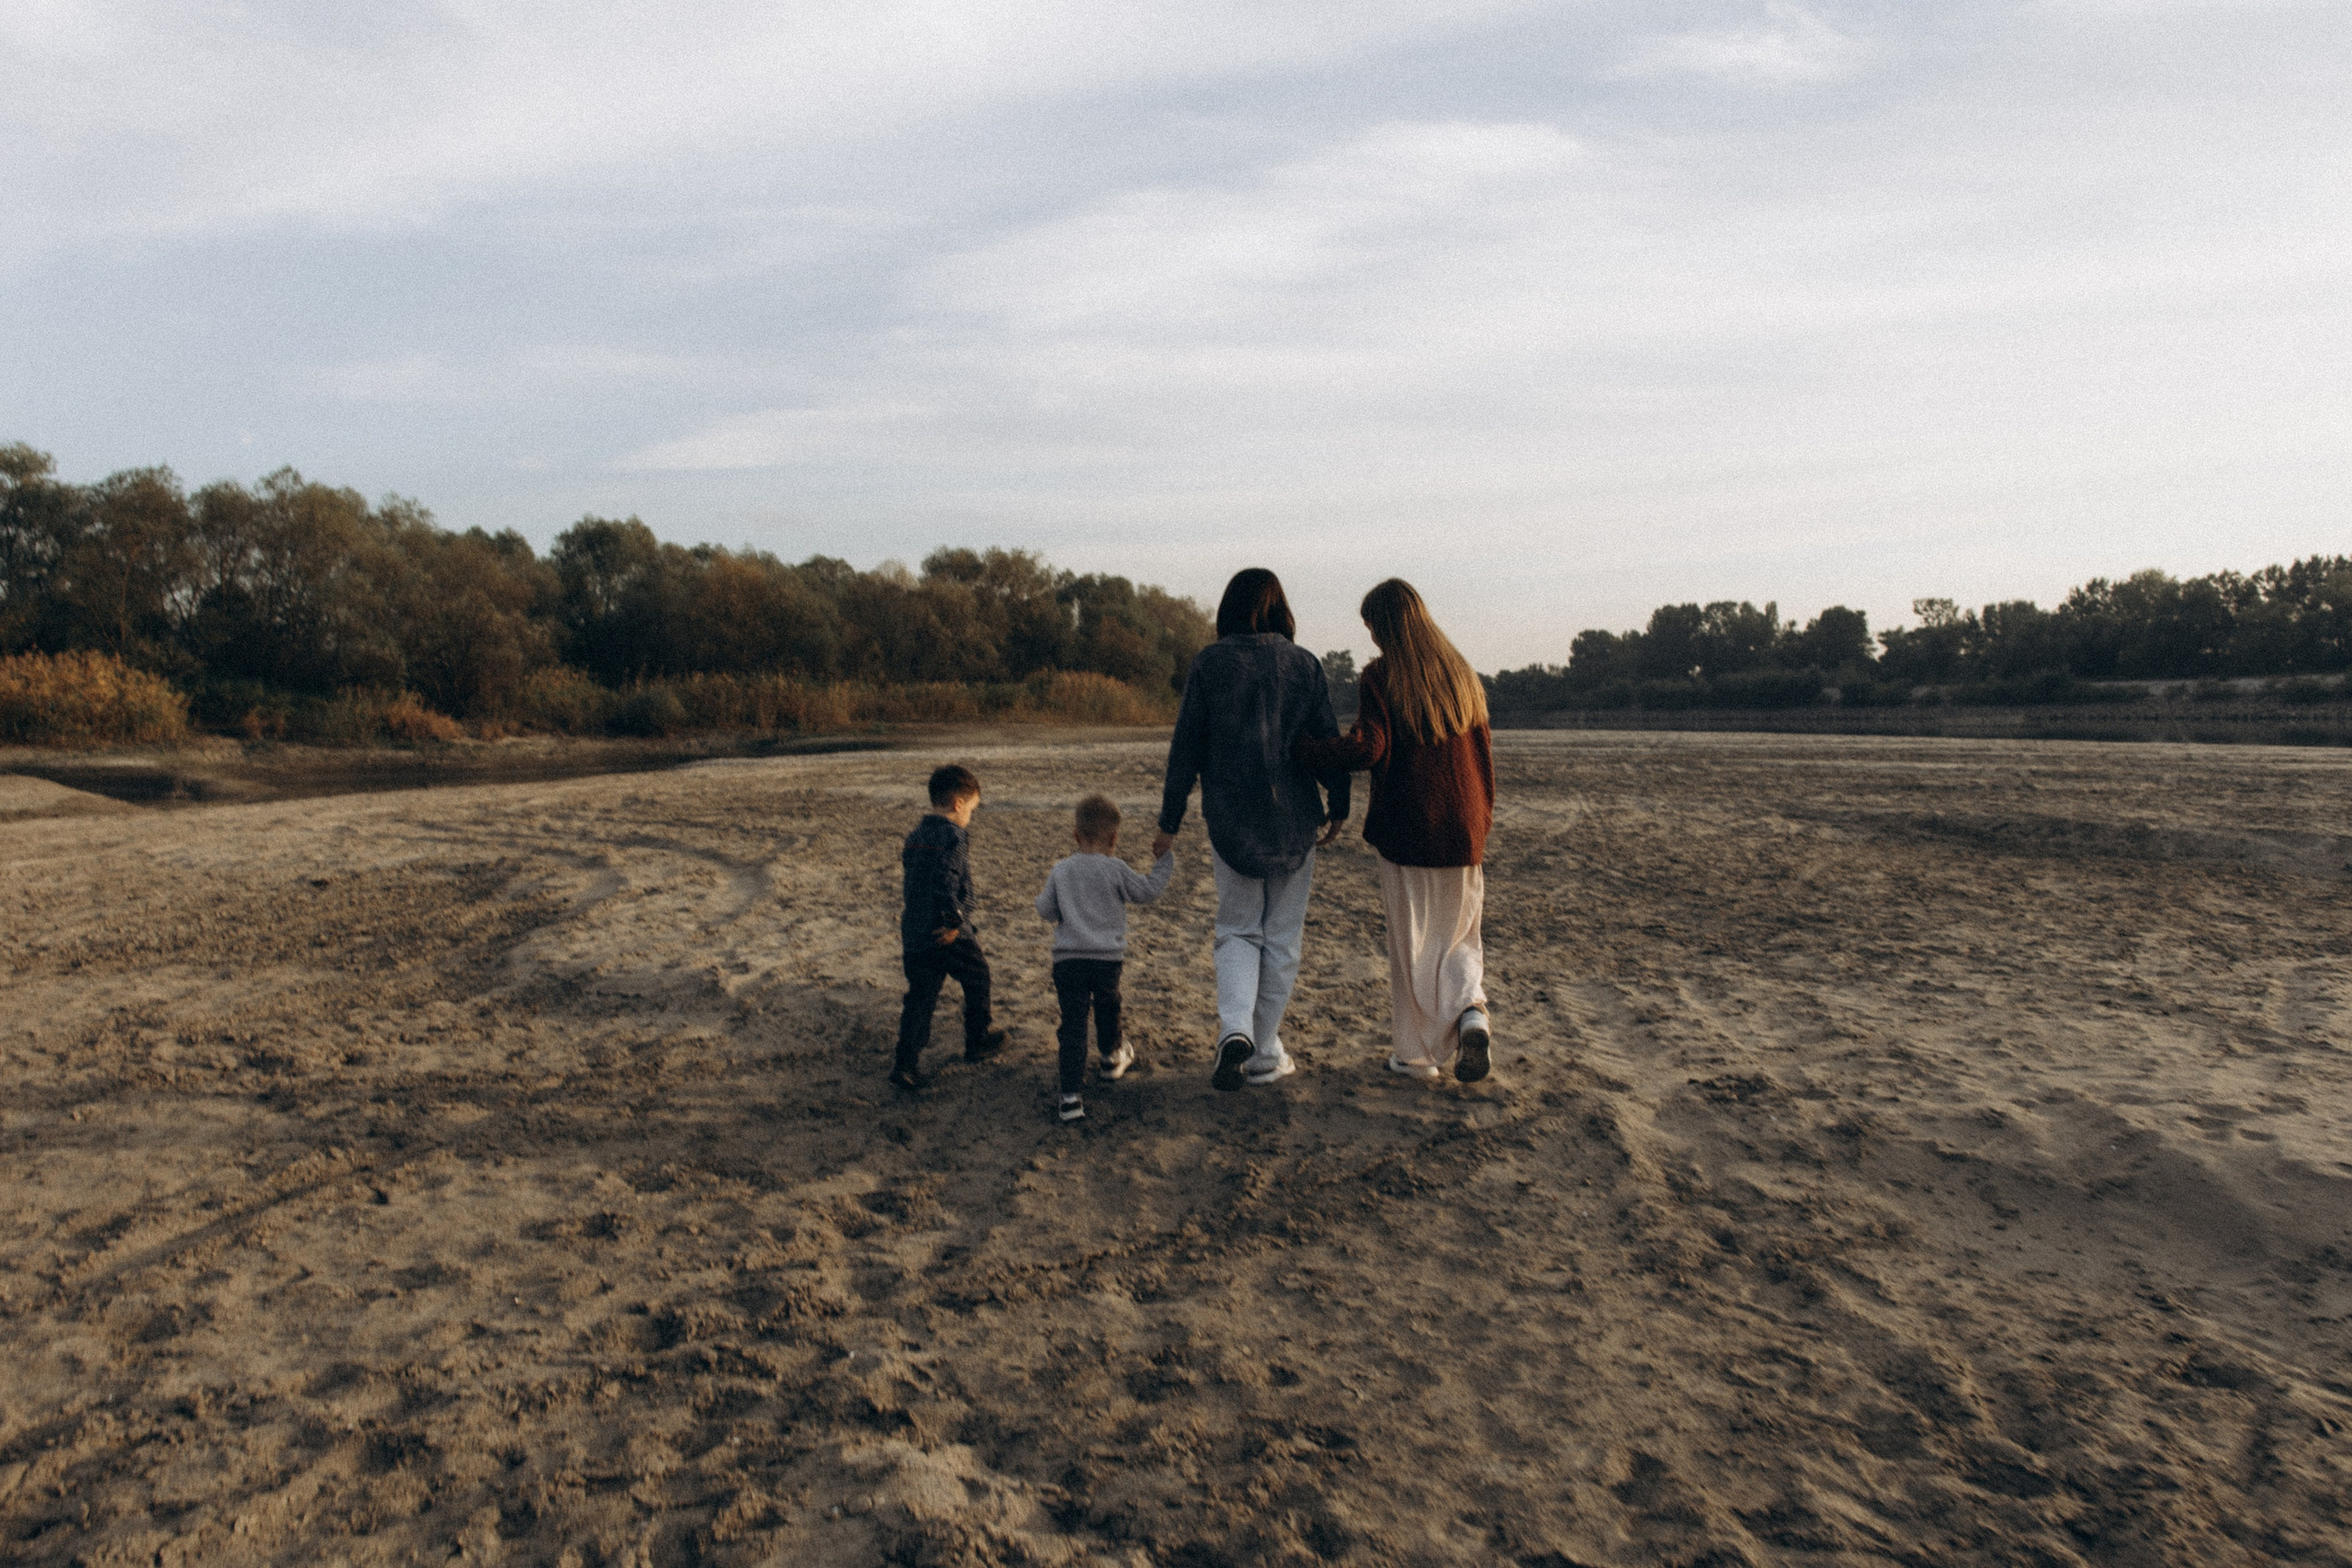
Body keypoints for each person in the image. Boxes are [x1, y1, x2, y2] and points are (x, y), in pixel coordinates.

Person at [1154, 568, 1351, 1091]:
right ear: (1281, 607)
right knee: (1282, 938)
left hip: (1231, 819)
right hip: (1295, 820)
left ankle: (1236, 1029)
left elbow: (1186, 747)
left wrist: (1168, 821)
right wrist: (1341, 802)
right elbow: (1327, 738)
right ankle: (1262, 1051)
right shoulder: (1304, 664)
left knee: (1238, 928)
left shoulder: (1209, 664)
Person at [1296, 579, 1496, 1081]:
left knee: (1414, 947)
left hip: (1409, 829)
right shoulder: (1463, 675)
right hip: (1464, 829)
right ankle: (1471, 1012)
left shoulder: (1383, 677)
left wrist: (1306, 751)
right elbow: (1484, 761)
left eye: (1372, 627)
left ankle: (1415, 1055)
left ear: (1386, 626)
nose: (1371, 639)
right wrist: (1480, 824)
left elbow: (1369, 747)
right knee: (1460, 938)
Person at [1035, 793, 1177, 1122]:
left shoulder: (1061, 870)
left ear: (1075, 835)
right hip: (1106, 960)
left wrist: (1047, 901)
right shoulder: (1115, 869)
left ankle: (1070, 1096)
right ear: (1114, 838)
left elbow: (1046, 910)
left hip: (1067, 961)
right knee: (1108, 1006)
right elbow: (1148, 891)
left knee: (1072, 1024)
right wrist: (1164, 861)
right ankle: (1111, 1056)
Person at [890, 763, 1007, 1092]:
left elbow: (914, 883)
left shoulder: (915, 836)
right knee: (978, 977)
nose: (970, 816)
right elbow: (946, 879)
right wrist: (954, 921)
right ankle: (978, 1040)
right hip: (946, 931)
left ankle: (905, 1063)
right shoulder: (953, 836)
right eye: (971, 809)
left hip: (915, 930)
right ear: (958, 804)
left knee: (921, 997)